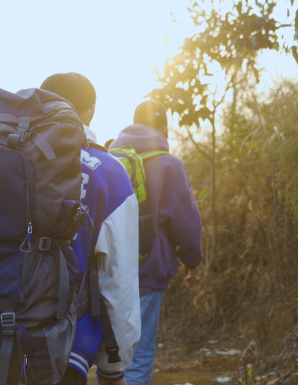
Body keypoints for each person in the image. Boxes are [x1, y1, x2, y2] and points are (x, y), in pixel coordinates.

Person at [40, 73, 141, 385]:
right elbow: (118, 280)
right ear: (91, 111)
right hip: (64, 348)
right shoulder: (109, 173)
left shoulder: (8, 159)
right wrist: (114, 366)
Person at [110, 100, 203, 385]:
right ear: (163, 128)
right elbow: (185, 220)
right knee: (139, 355)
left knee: (109, 358)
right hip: (149, 271)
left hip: (108, 272)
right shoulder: (169, 165)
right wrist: (191, 259)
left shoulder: (109, 161)